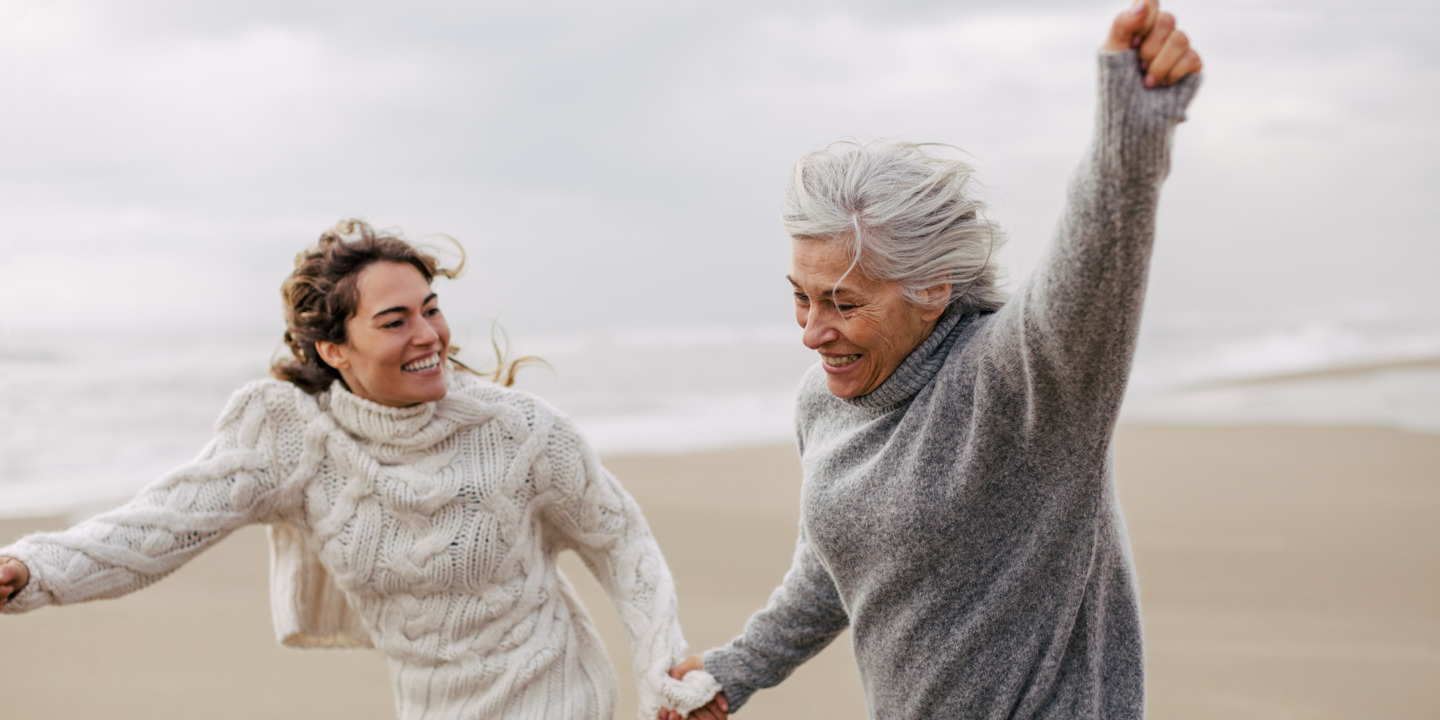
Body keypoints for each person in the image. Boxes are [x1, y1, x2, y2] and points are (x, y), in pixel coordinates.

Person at [664, 1, 1203, 718]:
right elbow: (837, 565)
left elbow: (1090, 267)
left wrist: (1130, 132)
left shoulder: (1018, 387)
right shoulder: (823, 401)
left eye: (843, 303)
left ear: (932, 289)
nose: (813, 332)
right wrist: (737, 669)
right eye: (801, 297)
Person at [0, 220, 721, 720]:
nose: (428, 336)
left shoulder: (519, 432)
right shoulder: (292, 440)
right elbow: (158, 527)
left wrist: (660, 668)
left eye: (431, 310)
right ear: (332, 350)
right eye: (394, 321)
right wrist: (33, 569)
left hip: (558, 700)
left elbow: (618, 539)